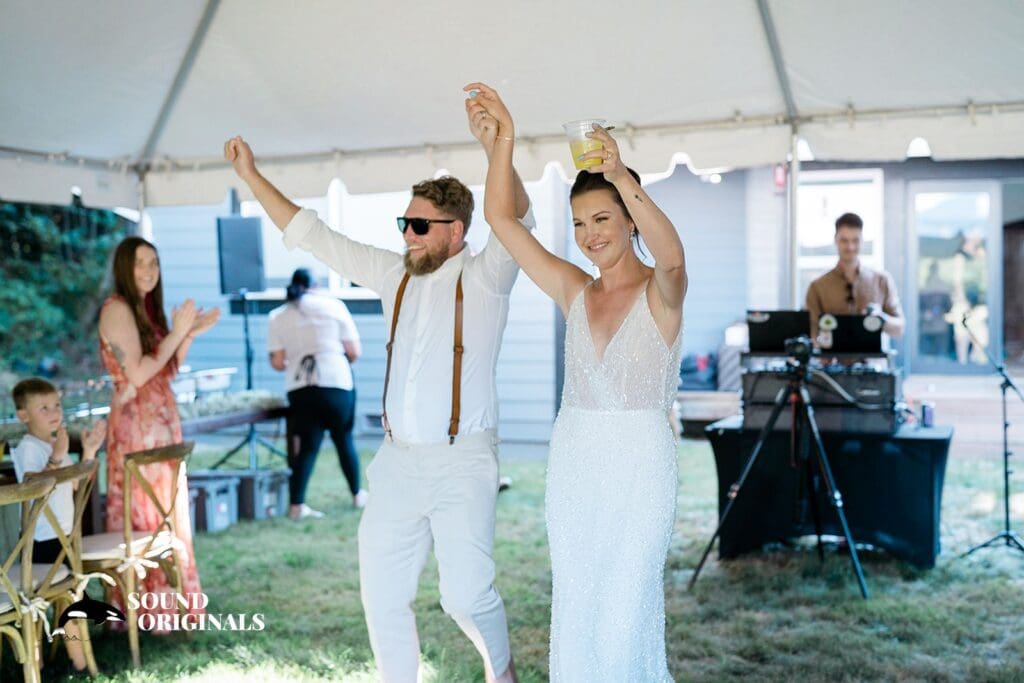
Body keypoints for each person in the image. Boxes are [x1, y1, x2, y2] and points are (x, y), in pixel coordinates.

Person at [224, 112, 534, 682]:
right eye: (404, 223)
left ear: (455, 231)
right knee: (383, 595)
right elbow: (314, 233)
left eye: (419, 226)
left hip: (462, 459)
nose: (407, 235)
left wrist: (499, 150)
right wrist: (251, 176)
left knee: (465, 597)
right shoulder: (394, 273)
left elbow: (513, 216)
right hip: (396, 463)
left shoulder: (489, 274)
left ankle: (502, 673)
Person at [468, 82, 687, 681]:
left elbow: (671, 259)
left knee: (623, 619)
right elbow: (498, 218)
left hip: (641, 468)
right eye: (579, 223)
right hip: (574, 468)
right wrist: (502, 144)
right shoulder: (574, 289)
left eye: (602, 218)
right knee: (579, 615)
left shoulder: (662, 293)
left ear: (629, 216)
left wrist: (617, 172)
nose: (590, 234)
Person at [97, 236, 219, 623]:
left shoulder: (144, 309)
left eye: (154, 262)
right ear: (123, 268)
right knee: (144, 512)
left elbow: (165, 369)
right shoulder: (117, 310)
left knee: (166, 512)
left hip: (161, 422)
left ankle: (169, 603)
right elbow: (138, 372)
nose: (149, 270)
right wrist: (176, 334)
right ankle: (143, 608)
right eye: (140, 263)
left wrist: (188, 335)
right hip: (137, 427)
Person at [11, 377, 106, 671]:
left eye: (57, 405)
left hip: (64, 535)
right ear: (24, 415)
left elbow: (72, 487)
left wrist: (88, 451)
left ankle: (78, 662)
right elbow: (35, 487)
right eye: (43, 408)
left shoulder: (54, 444)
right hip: (41, 541)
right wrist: (57, 456)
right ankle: (39, 664)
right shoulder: (29, 448)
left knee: (69, 600)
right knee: (44, 605)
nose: (54, 412)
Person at [267, 267, 367, 518]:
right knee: (344, 440)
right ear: (316, 286)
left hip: (300, 387)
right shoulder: (333, 306)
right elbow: (354, 351)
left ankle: (296, 505)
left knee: (308, 446)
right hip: (336, 381)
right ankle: (357, 495)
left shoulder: (278, 316)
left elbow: (278, 362)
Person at [805, 212, 905, 344]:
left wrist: (881, 318)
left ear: (862, 240)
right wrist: (821, 348)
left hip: (872, 361)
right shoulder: (817, 286)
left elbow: (899, 328)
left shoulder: (881, 280)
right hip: (832, 362)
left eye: (855, 240)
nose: (850, 247)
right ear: (835, 240)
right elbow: (810, 332)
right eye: (844, 240)